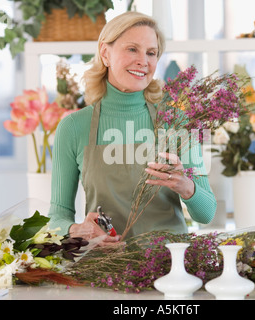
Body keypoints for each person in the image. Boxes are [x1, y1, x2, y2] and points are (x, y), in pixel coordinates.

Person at [48, 11, 217, 245]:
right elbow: (56, 217)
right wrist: (78, 229)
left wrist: (186, 186)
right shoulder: (74, 127)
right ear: (105, 53)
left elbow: (207, 213)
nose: (143, 61)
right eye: (132, 49)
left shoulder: (177, 122)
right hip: (104, 266)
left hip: (171, 269)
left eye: (151, 53)